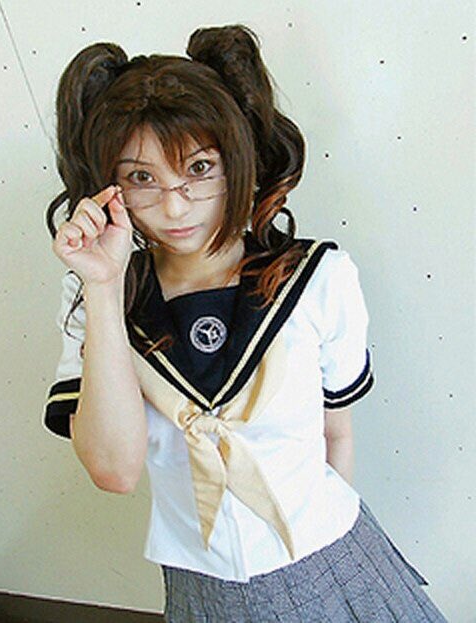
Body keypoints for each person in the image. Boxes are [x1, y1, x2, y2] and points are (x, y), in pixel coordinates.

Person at [43, 24, 447, 623]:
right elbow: (115, 471)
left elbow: (337, 433)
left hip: (332, 560)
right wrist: (103, 288)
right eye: (142, 178)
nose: (174, 205)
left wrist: (315, 560)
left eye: (200, 167)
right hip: (202, 585)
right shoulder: (98, 300)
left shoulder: (317, 279)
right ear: (109, 187)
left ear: (239, 161)